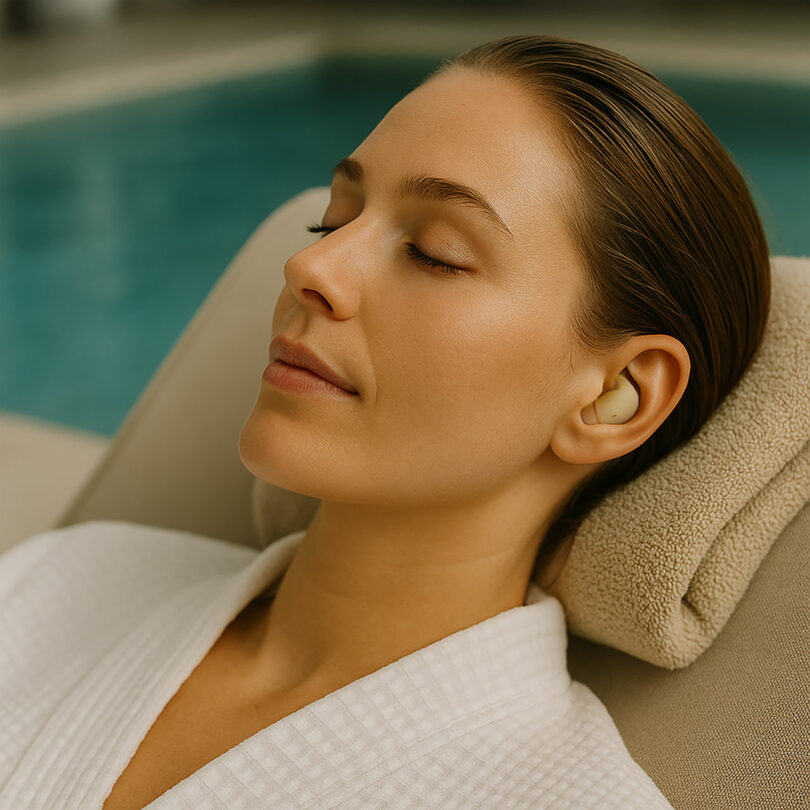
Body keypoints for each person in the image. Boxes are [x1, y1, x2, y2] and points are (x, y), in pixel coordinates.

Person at [0, 34, 769, 809]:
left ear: (616, 394)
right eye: (333, 221)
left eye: (435, 253)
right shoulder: (62, 581)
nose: (311, 267)